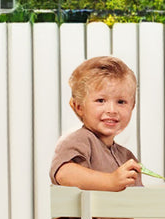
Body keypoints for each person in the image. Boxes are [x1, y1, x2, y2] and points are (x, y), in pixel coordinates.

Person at [50, 56, 142, 190]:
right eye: (100, 100)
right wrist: (111, 181)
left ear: (132, 106)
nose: (112, 110)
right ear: (79, 107)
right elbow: (64, 173)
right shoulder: (79, 140)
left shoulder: (127, 157)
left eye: (121, 102)